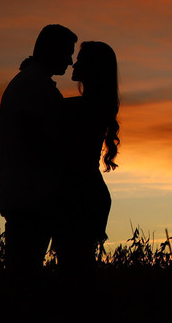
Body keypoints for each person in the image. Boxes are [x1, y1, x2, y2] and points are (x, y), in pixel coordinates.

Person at [0, 24, 77, 272]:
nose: (71, 61)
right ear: (52, 51)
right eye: (67, 53)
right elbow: (38, 142)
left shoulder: (32, 84)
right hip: (30, 200)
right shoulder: (34, 88)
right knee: (24, 276)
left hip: (27, 199)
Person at [52, 40, 120, 270]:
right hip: (84, 195)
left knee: (74, 268)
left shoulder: (86, 108)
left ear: (93, 68)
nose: (73, 64)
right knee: (76, 266)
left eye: (79, 61)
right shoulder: (94, 106)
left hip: (80, 198)